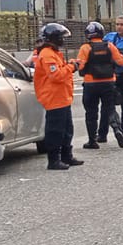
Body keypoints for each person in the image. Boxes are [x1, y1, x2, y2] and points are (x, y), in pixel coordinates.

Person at [34, 23, 84, 171]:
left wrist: (69, 64)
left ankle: (66, 155)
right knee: (56, 130)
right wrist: (72, 67)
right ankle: (53, 159)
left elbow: (60, 69)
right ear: (54, 38)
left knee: (67, 128)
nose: (63, 40)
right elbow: (56, 76)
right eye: (61, 37)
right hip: (54, 98)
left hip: (62, 97)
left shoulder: (54, 53)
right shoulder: (47, 54)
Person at [75, 21, 123, 150]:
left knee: (91, 112)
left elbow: (80, 65)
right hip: (108, 82)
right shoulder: (110, 46)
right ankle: (117, 130)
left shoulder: (85, 48)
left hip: (90, 83)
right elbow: (121, 62)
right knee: (110, 108)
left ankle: (92, 141)